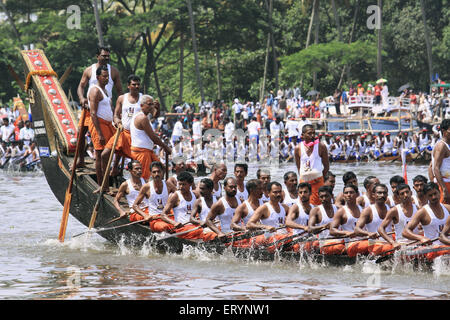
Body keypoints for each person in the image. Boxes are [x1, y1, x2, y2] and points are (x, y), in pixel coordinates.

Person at [76, 46, 123, 168]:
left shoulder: (113, 71)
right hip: (89, 108)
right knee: (80, 134)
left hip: (106, 108)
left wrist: (119, 110)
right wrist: (81, 98)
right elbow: (81, 86)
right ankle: (80, 160)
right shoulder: (89, 70)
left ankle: (110, 167)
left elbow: (119, 92)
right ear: (97, 56)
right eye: (104, 56)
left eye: (108, 56)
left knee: (112, 140)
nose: (107, 58)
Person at [101, 74, 142, 178]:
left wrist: (157, 109)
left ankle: (134, 184)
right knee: (104, 155)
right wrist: (117, 121)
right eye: (134, 84)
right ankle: (105, 181)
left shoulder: (144, 99)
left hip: (137, 135)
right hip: (123, 132)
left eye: (138, 84)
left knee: (136, 162)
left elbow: (154, 115)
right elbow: (115, 115)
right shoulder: (122, 98)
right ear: (128, 86)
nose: (136, 86)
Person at [149, 171, 204, 239]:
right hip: (182, 228)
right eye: (179, 184)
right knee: (204, 232)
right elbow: (163, 215)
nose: (181, 187)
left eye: (184, 184)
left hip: (194, 226)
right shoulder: (175, 196)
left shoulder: (195, 194)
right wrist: (174, 223)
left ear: (190, 184)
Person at [402, 183, 450, 260]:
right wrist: (421, 238)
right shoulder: (422, 212)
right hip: (433, 249)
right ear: (426, 197)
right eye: (430, 195)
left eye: (435, 194)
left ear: (439, 192)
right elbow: (405, 232)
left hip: (447, 246)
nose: (434, 197)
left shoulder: (448, 208)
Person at [87, 65, 116, 192]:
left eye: (107, 76)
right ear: (98, 77)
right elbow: (93, 113)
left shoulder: (106, 91)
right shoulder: (95, 90)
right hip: (99, 125)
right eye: (104, 76)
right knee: (99, 155)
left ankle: (107, 182)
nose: (106, 78)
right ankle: (101, 185)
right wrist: (99, 133)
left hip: (109, 125)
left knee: (109, 154)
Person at [130, 95, 172, 181]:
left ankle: (158, 188)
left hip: (147, 151)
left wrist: (158, 108)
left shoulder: (145, 115)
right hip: (141, 152)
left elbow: (155, 115)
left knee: (161, 169)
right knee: (143, 177)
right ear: (142, 105)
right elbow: (153, 137)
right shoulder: (142, 118)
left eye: (152, 104)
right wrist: (165, 147)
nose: (151, 107)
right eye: (149, 104)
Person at [246, 181, 290, 250]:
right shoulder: (264, 208)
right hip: (270, 239)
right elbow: (249, 224)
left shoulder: (285, 207)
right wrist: (265, 226)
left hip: (283, 237)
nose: (278, 194)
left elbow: (296, 219)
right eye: (275, 192)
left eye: (279, 192)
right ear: (268, 193)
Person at [294, 124, 329, 206]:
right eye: (309, 133)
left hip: (318, 182)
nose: (313, 136)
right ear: (302, 135)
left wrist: (319, 178)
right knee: (304, 206)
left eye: (314, 133)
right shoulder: (298, 148)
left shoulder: (321, 146)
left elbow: (326, 167)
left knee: (318, 207)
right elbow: (299, 168)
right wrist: (305, 178)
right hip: (304, 182)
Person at [378, 183, 419, 252]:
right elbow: (380, 229)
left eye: (407, 192)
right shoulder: (394, 210)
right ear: (398, 197)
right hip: (402, 245)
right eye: (402, 194)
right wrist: (393, 242)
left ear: (411, 193)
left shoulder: (417, 208)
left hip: (417, 244)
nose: (405, 195)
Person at [353, 183, 391, 255]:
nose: (382, 195)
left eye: (384, 193)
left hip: (389, 242)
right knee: (388, 248)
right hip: (374, 243)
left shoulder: (391, 209)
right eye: (379, 193)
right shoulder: (368, 210)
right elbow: (356, 230)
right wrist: (368, 233)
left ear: (387, 195)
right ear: (373, 195)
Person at [326, 184, 363, 256]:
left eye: (351, 192)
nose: (349, 195)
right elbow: (332, 230)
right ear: (343, 196)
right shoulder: (341, 211)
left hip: (363, 241)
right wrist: (346, 233)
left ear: (357, 194)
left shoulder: (363, 209)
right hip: (351, 243)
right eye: (346, 193)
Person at [431, 119, 450, 204]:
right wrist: (443, 189)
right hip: (444, 184)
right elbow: (435, 168)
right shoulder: (441, 146)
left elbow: (430, 166)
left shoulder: (447, 145)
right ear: (444, 131)